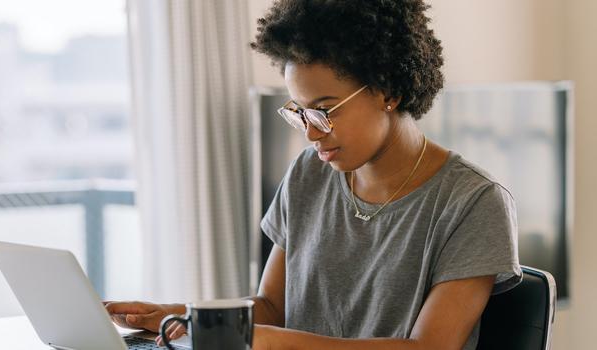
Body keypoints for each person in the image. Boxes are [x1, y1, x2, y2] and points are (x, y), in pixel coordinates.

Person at [105, 1, 521, 349]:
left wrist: (270, 341)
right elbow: (271, 307)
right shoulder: (310, 172)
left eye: (324, 110)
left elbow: (428, 348)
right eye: (299, 113)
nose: (310, 132)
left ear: (388, 91)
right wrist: (182, 316)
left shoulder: (473, 201)